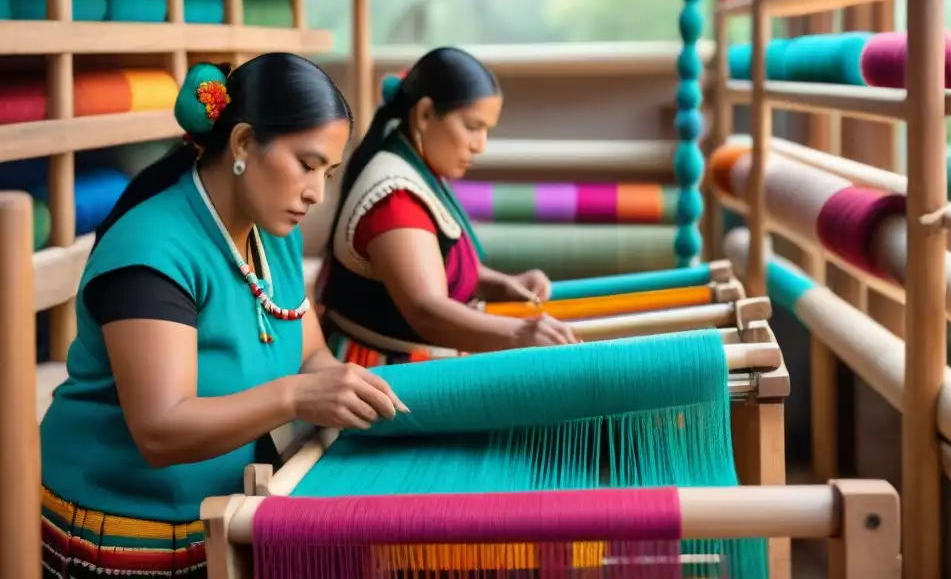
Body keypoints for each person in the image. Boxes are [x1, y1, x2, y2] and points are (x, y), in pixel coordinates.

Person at [39, 54, 406, 579]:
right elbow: (160, 430)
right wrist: (296, 397)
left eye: (328, 172)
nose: (316, 193)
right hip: (123, 535)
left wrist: (351, 391)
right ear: (241, 144)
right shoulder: (153, 251)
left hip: (230, 514)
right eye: (306, 165)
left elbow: (311, 354)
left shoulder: (271, 233)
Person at [314, 46, 579, 366]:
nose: (480, 145)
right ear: (425, 115)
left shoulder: (416, 170)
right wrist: (521, 333)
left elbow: (435, 263)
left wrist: (503, 285)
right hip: (385, 382)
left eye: (486, 131)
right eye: (472, 126)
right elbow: (426, 310)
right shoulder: (394, 199)